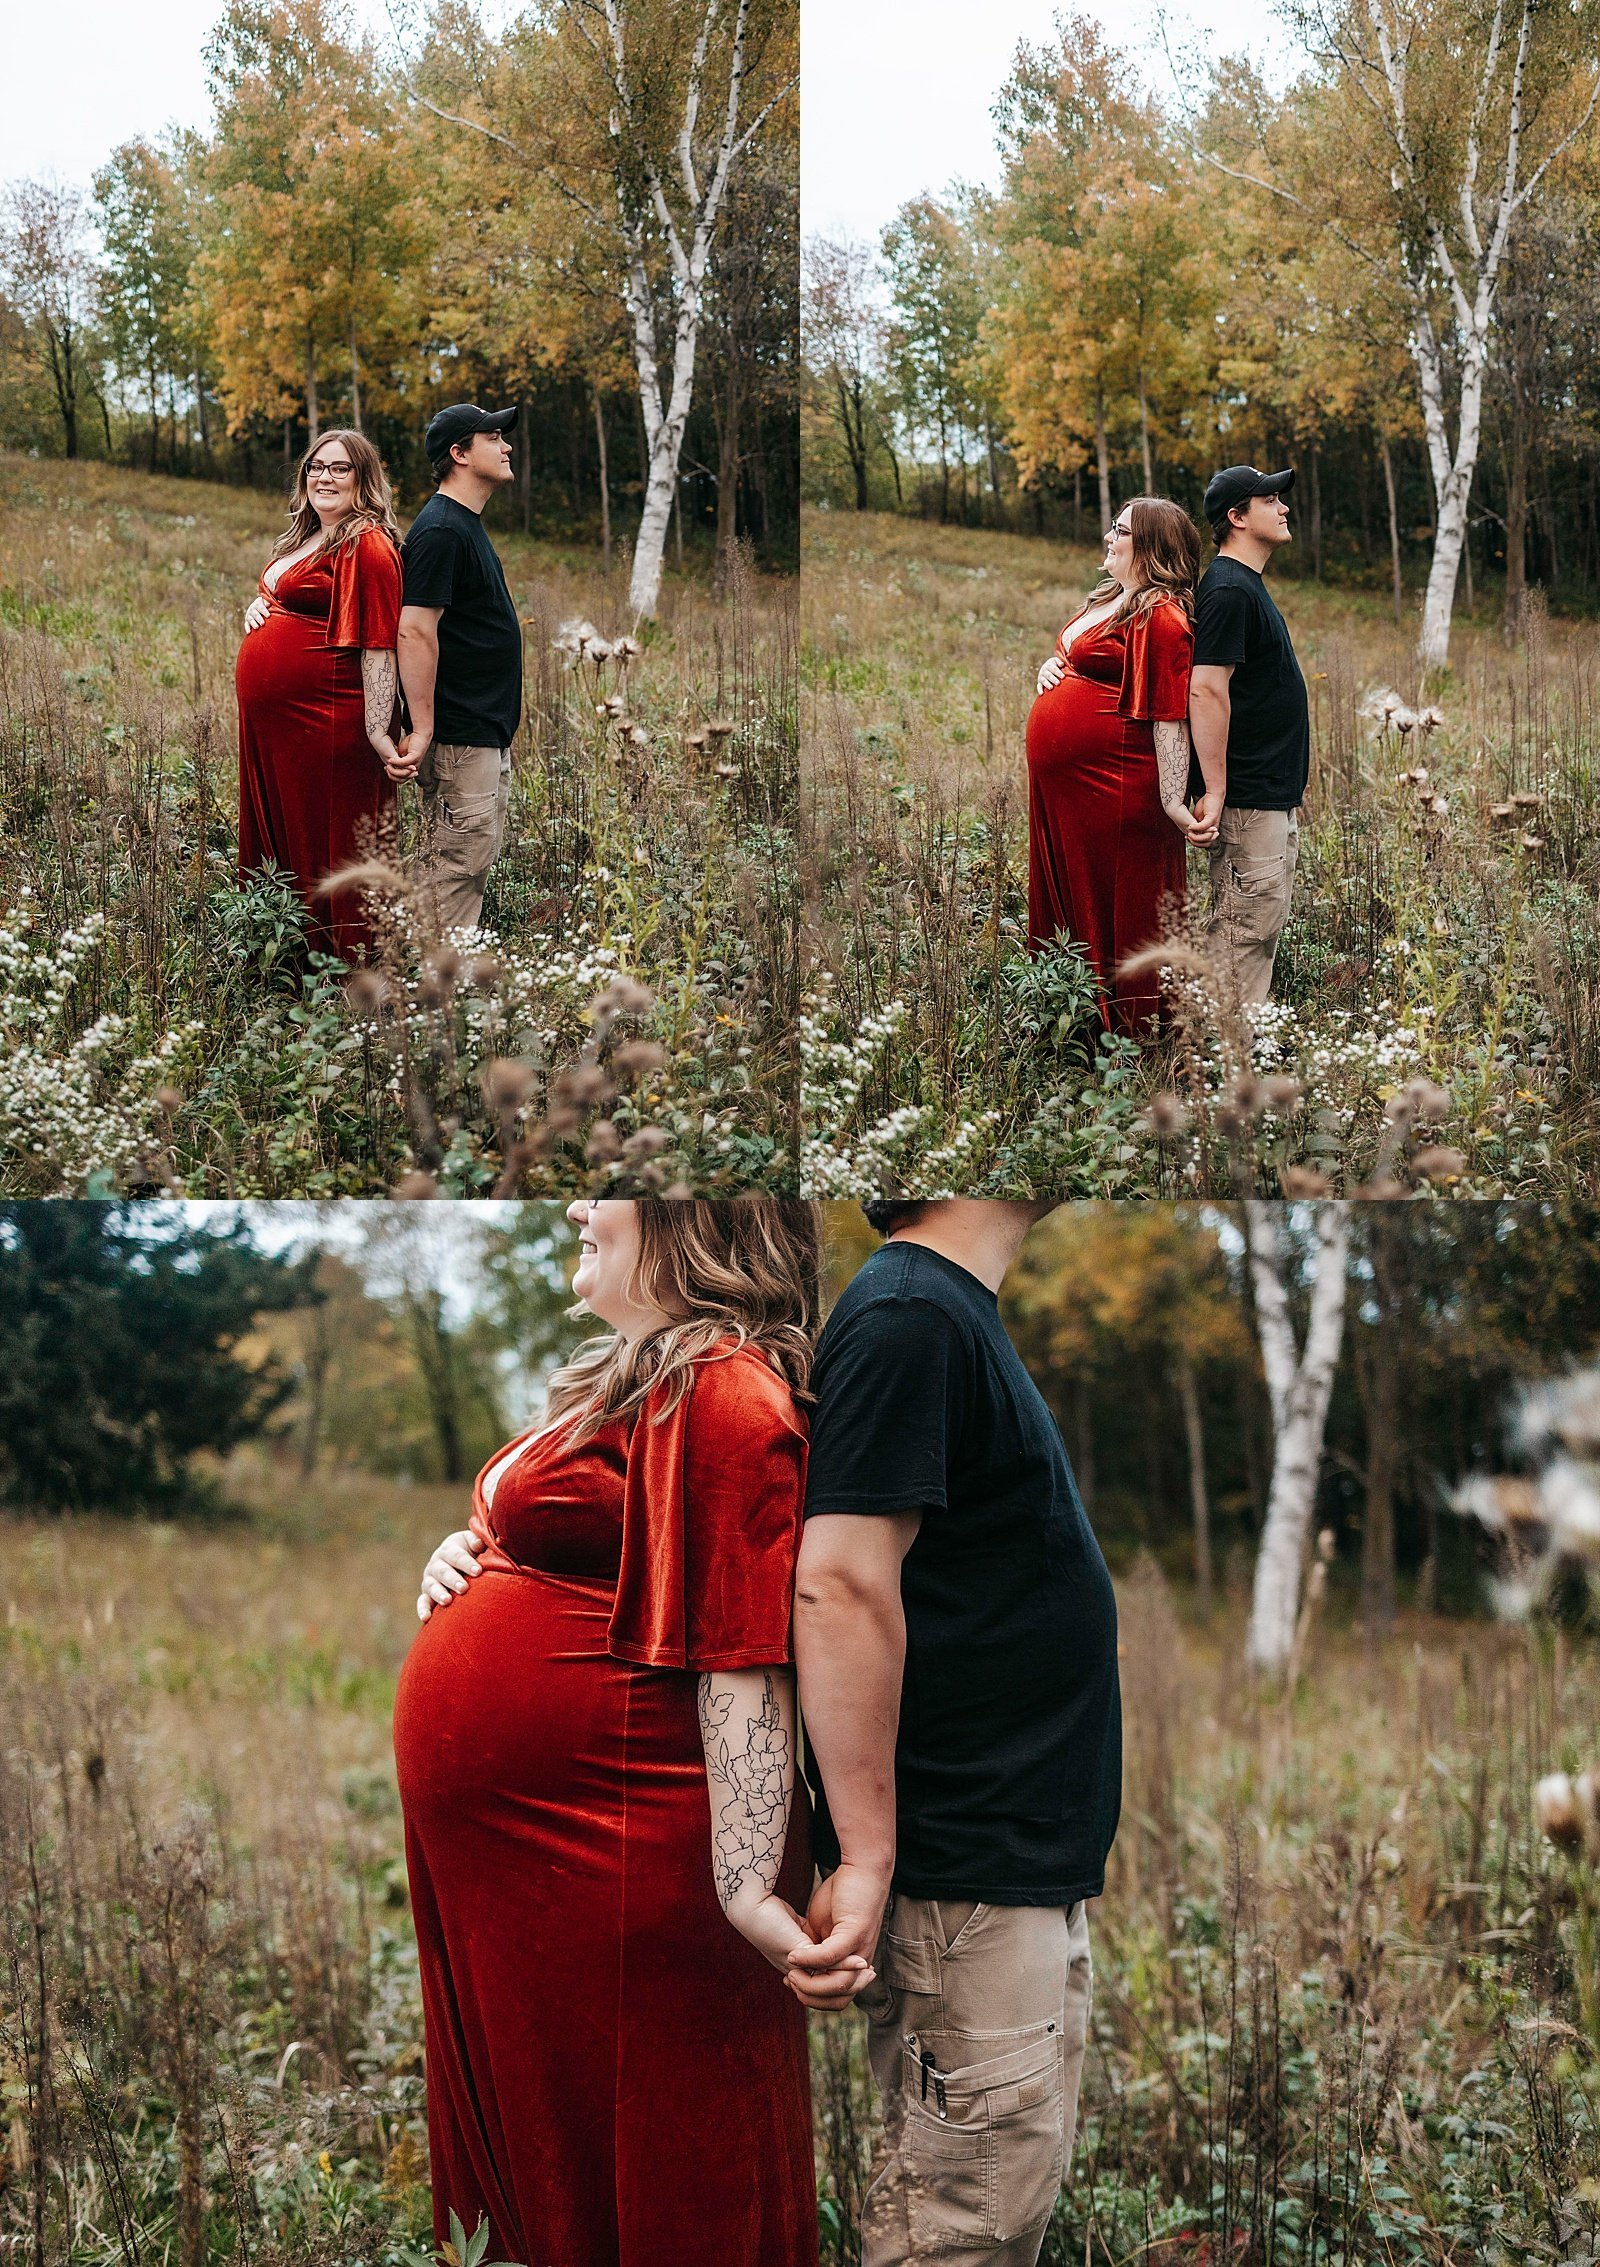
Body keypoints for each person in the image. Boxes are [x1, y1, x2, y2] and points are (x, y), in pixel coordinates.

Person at [397, 1197, 826, 2267]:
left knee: (657, 2172)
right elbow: (579, 1541)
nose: (580, 1206)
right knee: (546, 2152)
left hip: (619, 1850)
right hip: (537, 1869)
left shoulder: (721, 1382)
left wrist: (745, 1885)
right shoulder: (637, 1371)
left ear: (699, 1215)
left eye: (611, 1185)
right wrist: (472, 1548)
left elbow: (744, 1650)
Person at [786, 1198, 1123, 2267]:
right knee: (956, 2234)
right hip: (960, 1878)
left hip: (1005, 1872)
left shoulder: (942, 1312)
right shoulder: (907, 1314)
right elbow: (837, 1581)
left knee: (991, 2215)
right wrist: (868, 1852)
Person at [1027, 496, 1218, 1033]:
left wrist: (1171, 801)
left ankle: (1129, 1030)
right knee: (1074, 890)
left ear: (1151, 547)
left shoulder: (1161, 615)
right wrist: (1055, 662)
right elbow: (1083, 656)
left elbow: (1169, 716)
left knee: (1117, 899)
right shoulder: (1117, 597)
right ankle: (1071, 1015)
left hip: (1114, 785)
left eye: (1121, 530)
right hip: (1070, 790)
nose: (1108, 537)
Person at [236, 429, 405, 960]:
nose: (324, 477)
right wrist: (260, 608)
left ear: (363, 479)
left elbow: (381, 644)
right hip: (276, 727)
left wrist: (378, 729)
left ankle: (348, 973)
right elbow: (287, 595)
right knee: (284, 831)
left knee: (330, 842)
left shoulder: (367, 543)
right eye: (316, 467)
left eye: (339, 468)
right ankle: (283, 953)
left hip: (328, 720)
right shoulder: (305, 537)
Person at [396, 403, 524, 936]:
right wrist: (424, 727)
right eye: (494, 436)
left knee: (466, 867)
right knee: (453, 869)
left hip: (482, 731)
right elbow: (414, 629)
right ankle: (430, 999)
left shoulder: (463, 524)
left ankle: (440, 996)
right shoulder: (442, 530)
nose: (507, 445)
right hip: (459, 735)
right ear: (459, 454)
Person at [1189, 466, 1310, 1007]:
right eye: (1270, 500)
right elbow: (1206, 690)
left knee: (1258, 930)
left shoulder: (1245, 586)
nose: (1283, 508)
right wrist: (1215, 789)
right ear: (1236, 517)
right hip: (1247, 799)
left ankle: (1241, 1065)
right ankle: (1230, 1072)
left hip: (1269, 794)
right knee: (1242, 934)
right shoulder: (1229, 590)